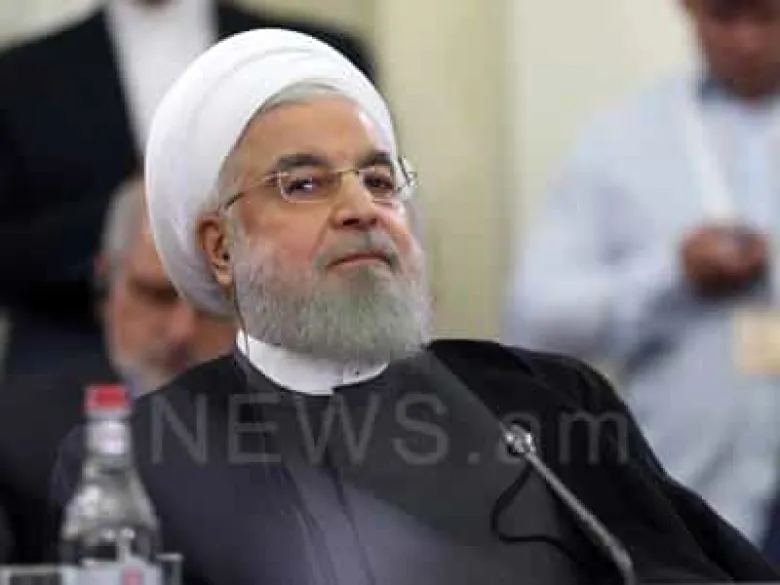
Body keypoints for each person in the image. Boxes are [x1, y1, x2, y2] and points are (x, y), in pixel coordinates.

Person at [50, 28, 780, 584]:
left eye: (378, 179)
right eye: (305, 185)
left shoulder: (547, 401)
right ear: (220, 247)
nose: (361, 209)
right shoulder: (143, 457)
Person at [507, 0, 780, 546]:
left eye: (768, 17)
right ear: (688, 8)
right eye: (726, 17)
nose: (748, 41)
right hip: (692, 504)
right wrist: (672, 277)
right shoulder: (620, 143)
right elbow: (535, 319)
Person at [0, 0, 373, 381]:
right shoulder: (20, 77)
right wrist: (131, 222)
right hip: (76, 374)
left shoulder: (311, 57)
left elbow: (365, 203)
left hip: (287, 361)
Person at [0, 176, 234, 563]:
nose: (181, 331)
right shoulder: (20, 439)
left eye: (209, 304)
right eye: (156, 296)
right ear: (106, 280)